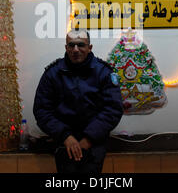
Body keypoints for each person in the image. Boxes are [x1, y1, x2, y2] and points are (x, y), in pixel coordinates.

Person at [33, 30, 123, 173]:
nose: (76, 49)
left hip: (94, 144)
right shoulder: (53, 73)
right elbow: (42, 110)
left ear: (90, 47)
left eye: (81, 45)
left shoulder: (104, 72)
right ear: (66, 47)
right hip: (64, 144)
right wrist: (66, 137)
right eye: (71, 45)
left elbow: (113, 109)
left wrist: (88, 139)